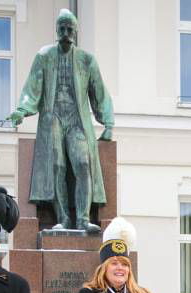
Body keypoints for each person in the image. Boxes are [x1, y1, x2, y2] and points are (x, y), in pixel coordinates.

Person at [9, 9, 113, 232]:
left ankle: (83, 219)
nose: (66, 33)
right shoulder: (44, 57)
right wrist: (21, 110)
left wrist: (108, 122)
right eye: (62, 29)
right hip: (52, 117)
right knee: (56, 165)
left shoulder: (87, 60)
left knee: (83, 163)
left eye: (70, 29)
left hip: (77, 120)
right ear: (56, 31)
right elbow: (32, 88)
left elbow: (99, 93)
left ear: (75, 32)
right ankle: (63, 218)